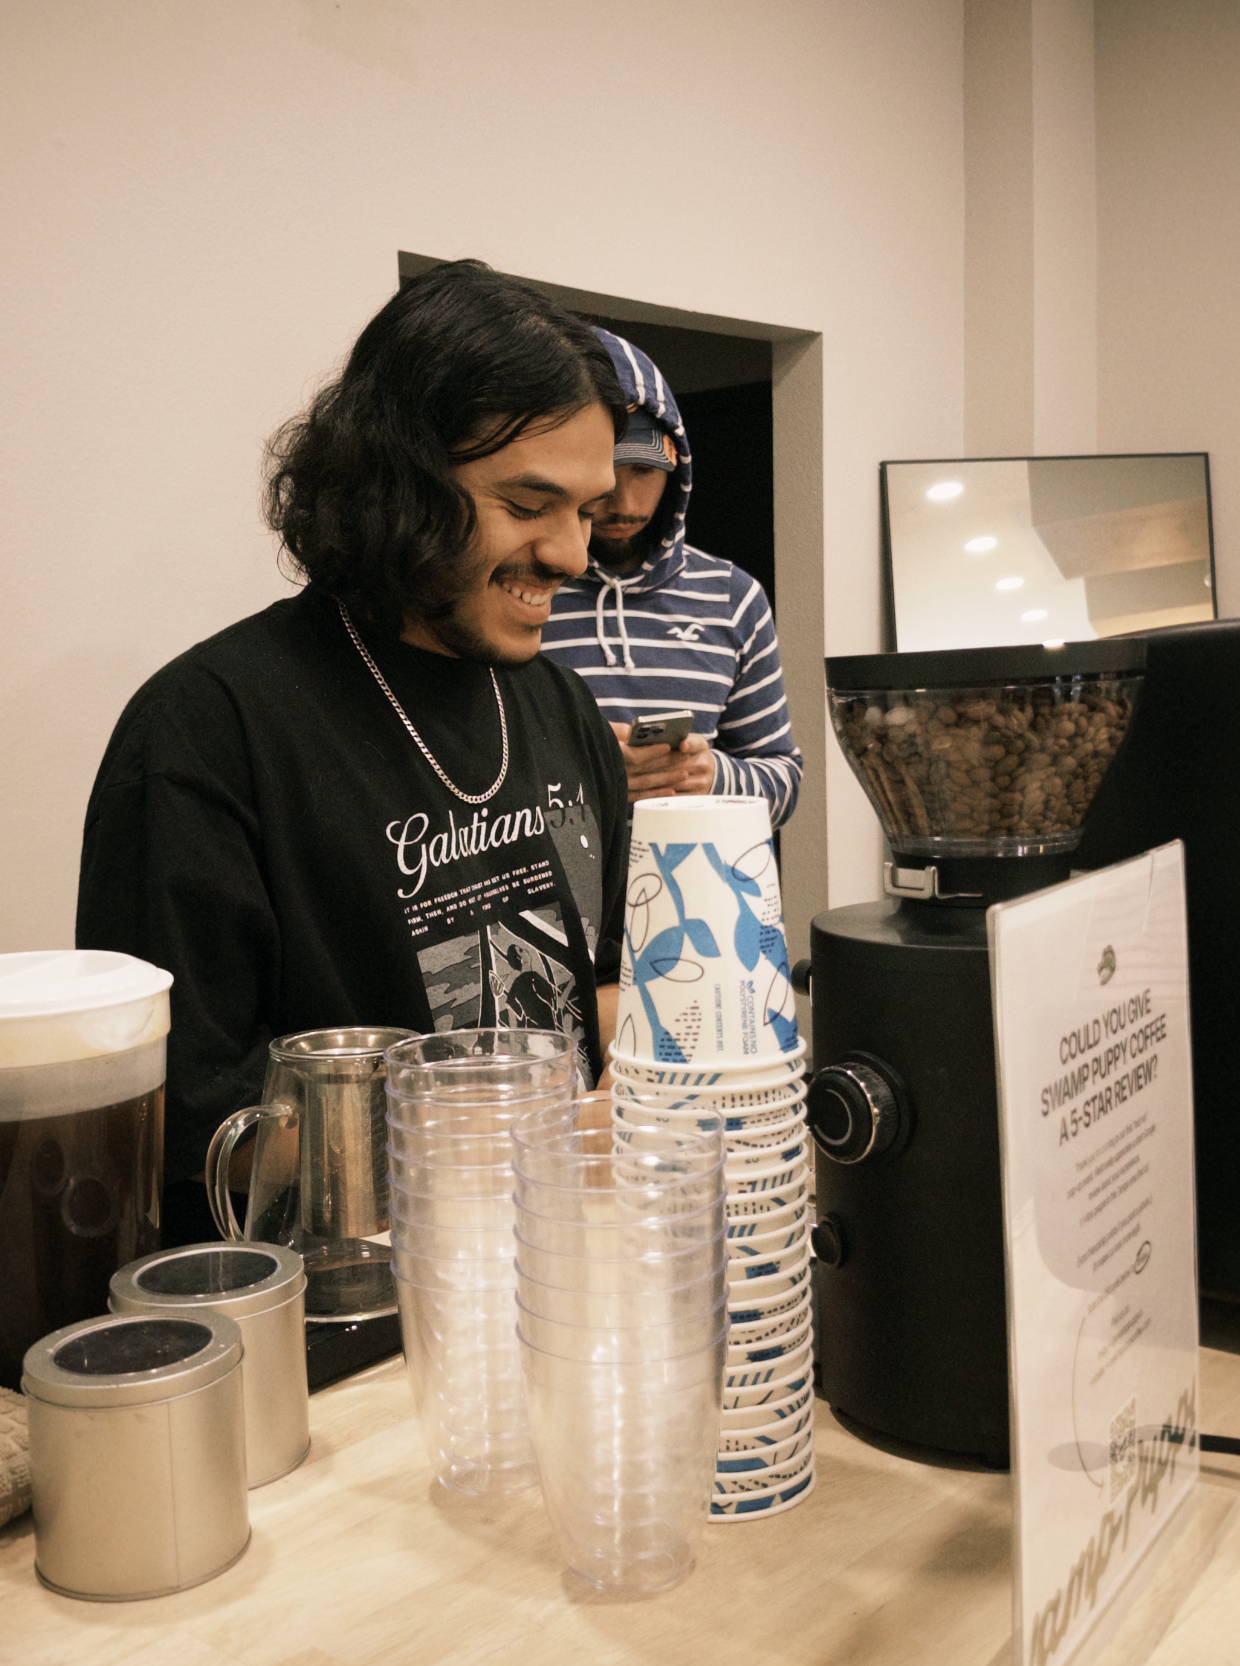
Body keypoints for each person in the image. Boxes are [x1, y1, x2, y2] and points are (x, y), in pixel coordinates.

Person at [76, 261, 630, 1242]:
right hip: (336, 1325)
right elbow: (184, 1123)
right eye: (528, 504)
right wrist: (491, 1142)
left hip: (556, 1270)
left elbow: (605, 988)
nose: (573, 556)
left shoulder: (560, 705)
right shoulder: (206, 732)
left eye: (585, 512)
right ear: (396, 484)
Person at [539, 329, 802, 825]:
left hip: (704, 889)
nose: (625, 503)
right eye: (610, 471)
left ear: (676, 469)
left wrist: (711, 776)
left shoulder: (733, 596)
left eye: (644, 469)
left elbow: (784, 780)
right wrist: (588, 777)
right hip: (564, 894)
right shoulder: (530, 587)